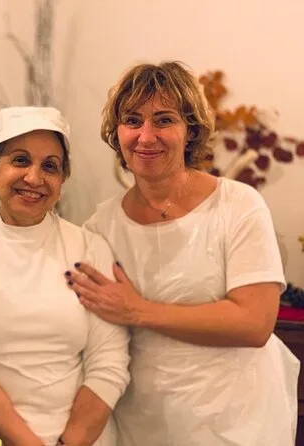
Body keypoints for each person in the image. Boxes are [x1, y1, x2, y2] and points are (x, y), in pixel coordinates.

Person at [66, 61, 300, 445]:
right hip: (142, 422)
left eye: (164, 120)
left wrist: (138, 310)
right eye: (132, 120)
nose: (146, 136)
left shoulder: (238, 205)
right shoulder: (100, 228)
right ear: (116, 132)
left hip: (237, 422)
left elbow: (255, 322)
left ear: (190, 130)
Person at [0, 106, 131, 446]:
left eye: (50, 166)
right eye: (20, 160)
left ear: (62, 181)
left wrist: (69, 442)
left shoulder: (89, 248)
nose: (34, 178)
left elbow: (109, 361)